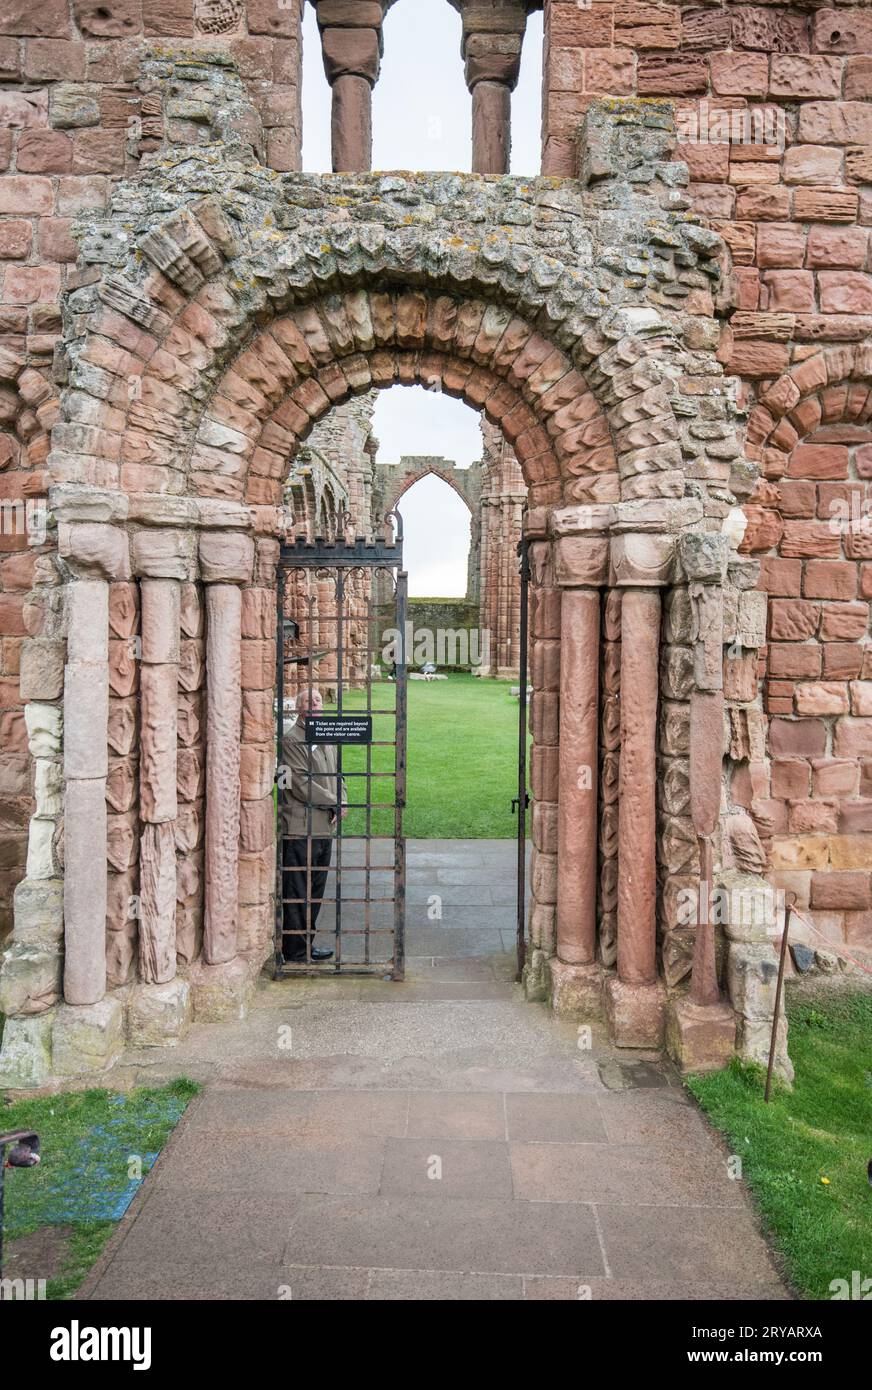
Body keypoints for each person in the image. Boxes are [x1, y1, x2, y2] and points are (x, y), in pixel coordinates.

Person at [279, 687, 347, 963]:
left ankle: (306, 943)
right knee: (297, 890)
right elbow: (300, 783)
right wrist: (334, 802)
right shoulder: (291, 740)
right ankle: (294, 950)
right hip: (300, 828)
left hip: (323, 827)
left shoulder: (325, 734)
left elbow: (339, 773)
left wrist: (342, 798)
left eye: (318, 699)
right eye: (309, 700)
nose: (315, 704)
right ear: (299, 708)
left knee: (315, 889)